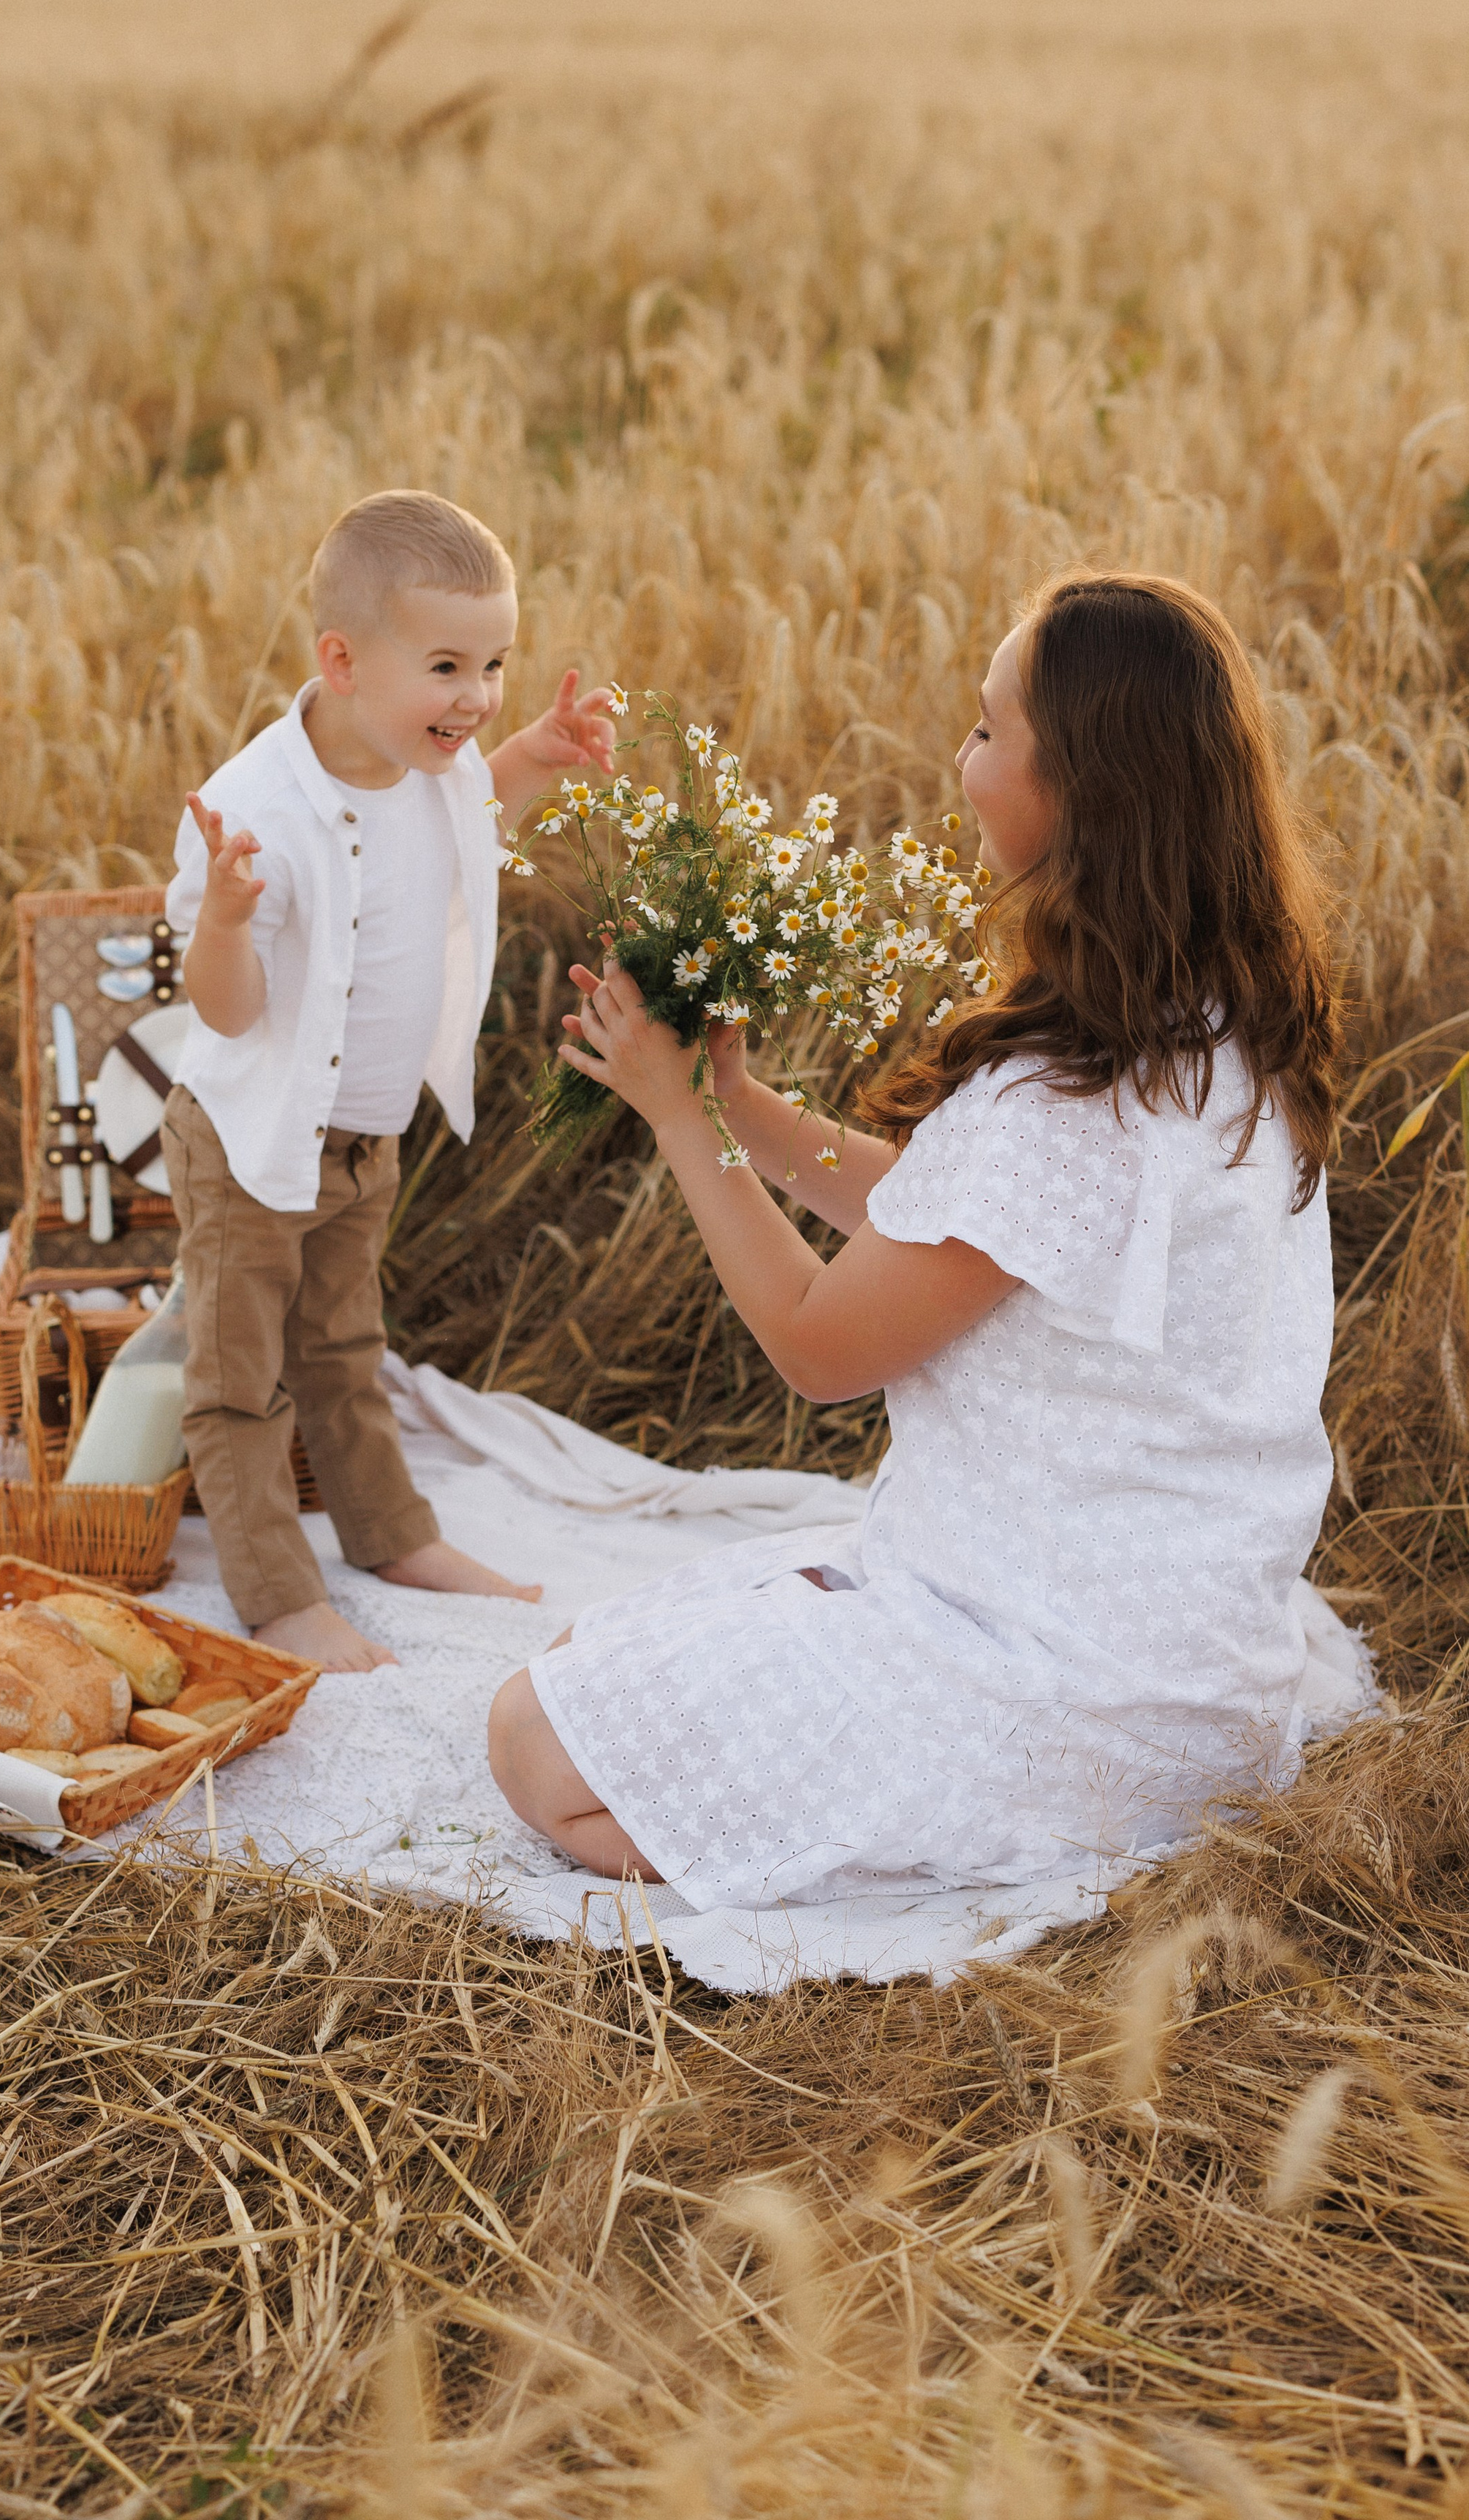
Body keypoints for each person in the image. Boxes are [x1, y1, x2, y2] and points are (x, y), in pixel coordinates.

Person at [488, 570, 1370, 1903]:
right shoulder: (1217, 1026)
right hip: (1186, 1668)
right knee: (626, 1647)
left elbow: (817, 1346)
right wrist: (745, 1105)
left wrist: (679, 1115)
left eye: (985, 730)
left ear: (1080, 788)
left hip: (1069, 1691)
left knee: (535, 1738)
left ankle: (945, 1845)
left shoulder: (1063, 1099)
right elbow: (965, 1224)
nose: (961, 762)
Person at [164, 489, 616, 1674]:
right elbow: (225, 1009)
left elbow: (475, 817)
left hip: (367, 1140)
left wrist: (537, 754)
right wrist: (223, 919)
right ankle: (277, 1593)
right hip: (251, 1144)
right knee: (239, 1376)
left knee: (345, 1347)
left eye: (496, 663)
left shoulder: (436, 763)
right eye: (449, 666)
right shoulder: (248, 814)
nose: (477, 696)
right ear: (344, 660)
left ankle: (392, 1536)